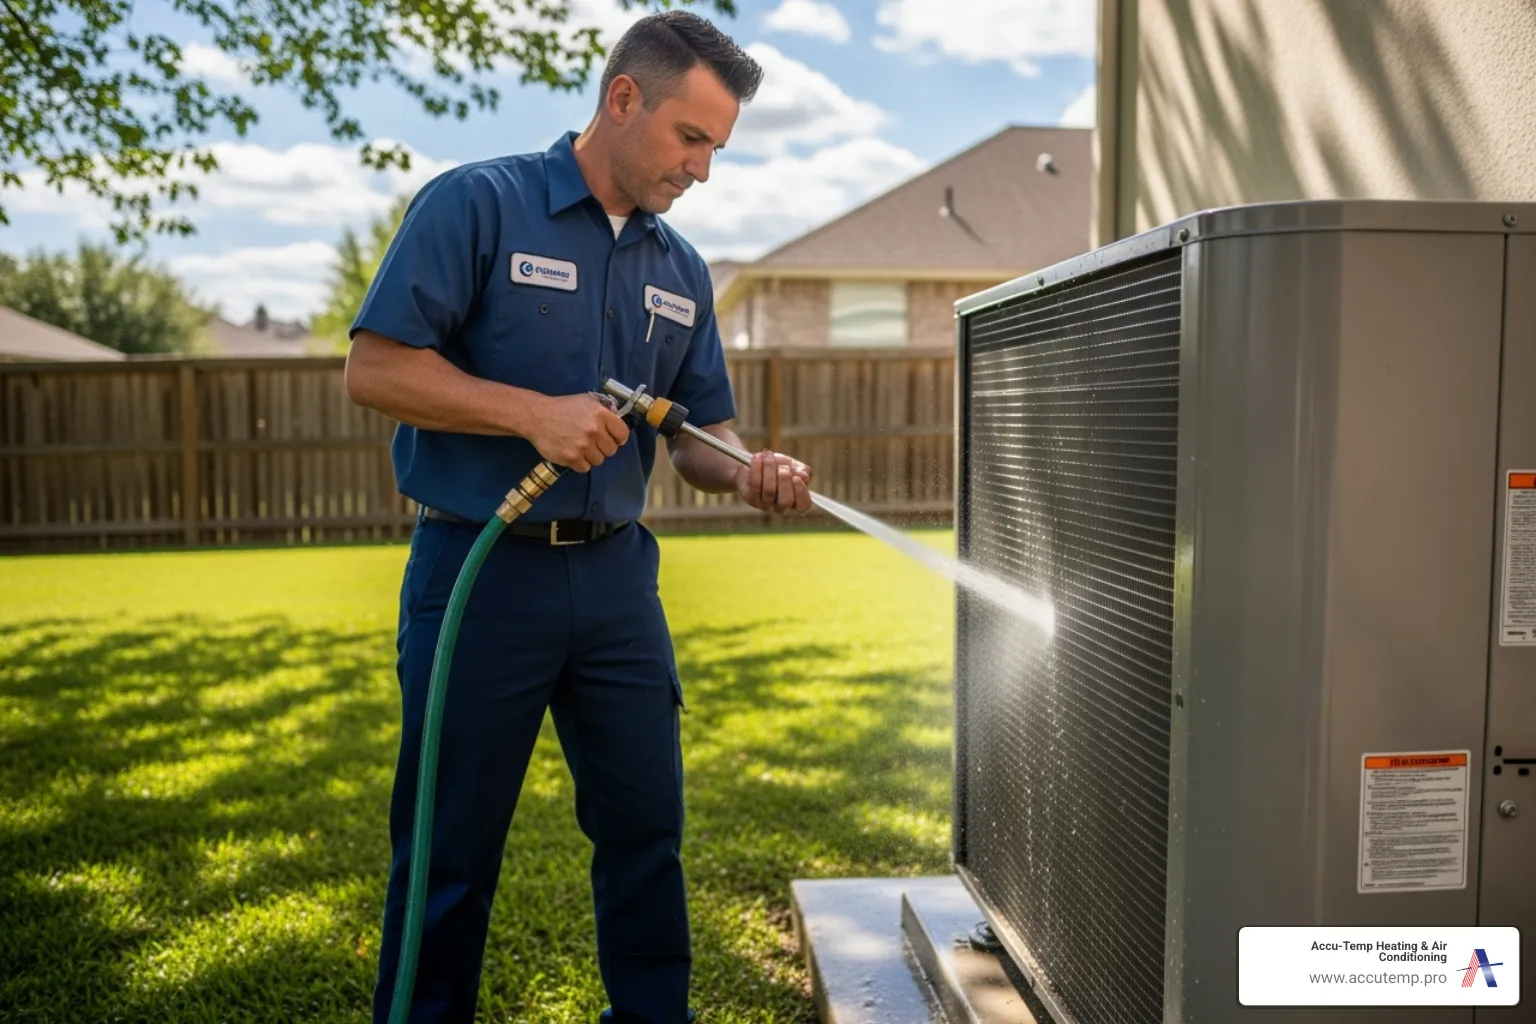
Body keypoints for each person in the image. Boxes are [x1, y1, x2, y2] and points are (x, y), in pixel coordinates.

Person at [343, 11, 812, 1023]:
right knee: (448, 851)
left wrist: (753, 470)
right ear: (623, 97)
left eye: (717, 149)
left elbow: (699, 438)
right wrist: (530, 416)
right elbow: (375, 367)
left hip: (614, 587)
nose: (702, 169)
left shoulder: (679, 268)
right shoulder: (478, 205)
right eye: (693, 139)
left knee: (647, 833)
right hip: (477, 571)